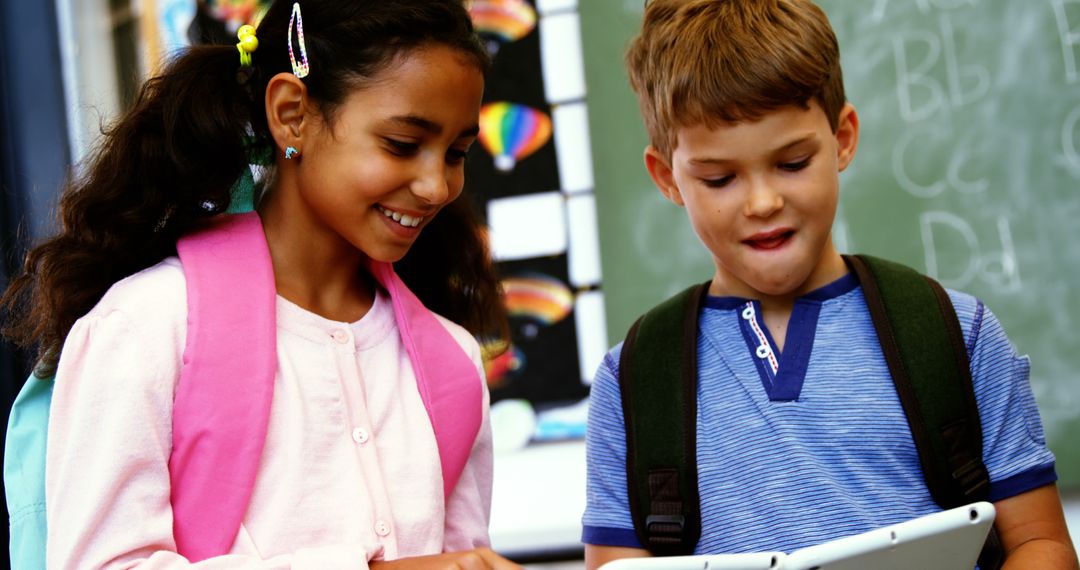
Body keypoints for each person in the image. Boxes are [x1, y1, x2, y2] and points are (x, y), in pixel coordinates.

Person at [0, 1, 523, 568]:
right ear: (291, 113)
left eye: (457, 154)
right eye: (401, 144)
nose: (435, 186)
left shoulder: (452, 360)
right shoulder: (147, 327)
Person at [581, 1, 1079, 569]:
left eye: (793, 163)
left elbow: (1042, 547)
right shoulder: (635, 381)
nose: (763, 202)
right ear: (668, 178)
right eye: (719, 178)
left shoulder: (957, 336)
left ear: (842, 138)